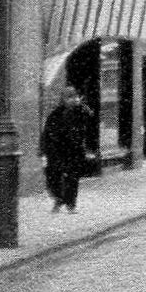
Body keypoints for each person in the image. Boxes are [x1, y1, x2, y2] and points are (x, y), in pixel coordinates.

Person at [40, 86, 94, 214]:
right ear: (63, 99)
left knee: (72, 178)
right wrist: (44, 150)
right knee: (54, 177)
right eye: (68, 97)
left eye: (73, 97)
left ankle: (71, 204)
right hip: (56, 150)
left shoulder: (80, 111)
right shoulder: (55, 114)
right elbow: (47, 133)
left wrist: (81, 106)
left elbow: (90, 116)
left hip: (74, 150)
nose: (71, 100)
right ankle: (58, 199)